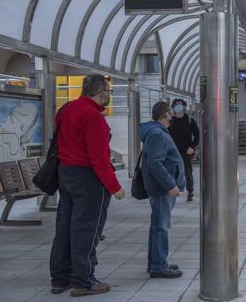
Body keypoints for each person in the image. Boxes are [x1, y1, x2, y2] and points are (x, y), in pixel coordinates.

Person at [50, 74, 125, 297]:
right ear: (100, 91)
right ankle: (84, 280)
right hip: (88, 177)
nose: (109, 96)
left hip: (66, 173)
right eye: (108, 92)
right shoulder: (93, 117)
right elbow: (98, 157)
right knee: (87, 229)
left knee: (65, 227)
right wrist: (114, 186)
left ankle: (60, 278)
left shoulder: (66, 109)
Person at [140, 101, 186, 278]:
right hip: (162, 190)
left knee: (157, 226)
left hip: (161, 189)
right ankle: (159, 265)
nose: (172, 115)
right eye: (170, 113)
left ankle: (156, 262)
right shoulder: (157, 134)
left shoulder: (155, 132)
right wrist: (171, 185)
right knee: (161, 227)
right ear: (164, 115)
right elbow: (155, 163)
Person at [168, 98, 199, 202]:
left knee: (188, 172)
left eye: (180, 104)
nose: (178, 106)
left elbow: (197, 135)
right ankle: (172, 191)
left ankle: (190, 191)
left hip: (187, 152)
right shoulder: (170, 121)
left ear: (185, 107)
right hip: (172, 152)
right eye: (176, 105)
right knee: (172, 172)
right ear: (173, 107)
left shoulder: (190, 120)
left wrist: (192, 146)